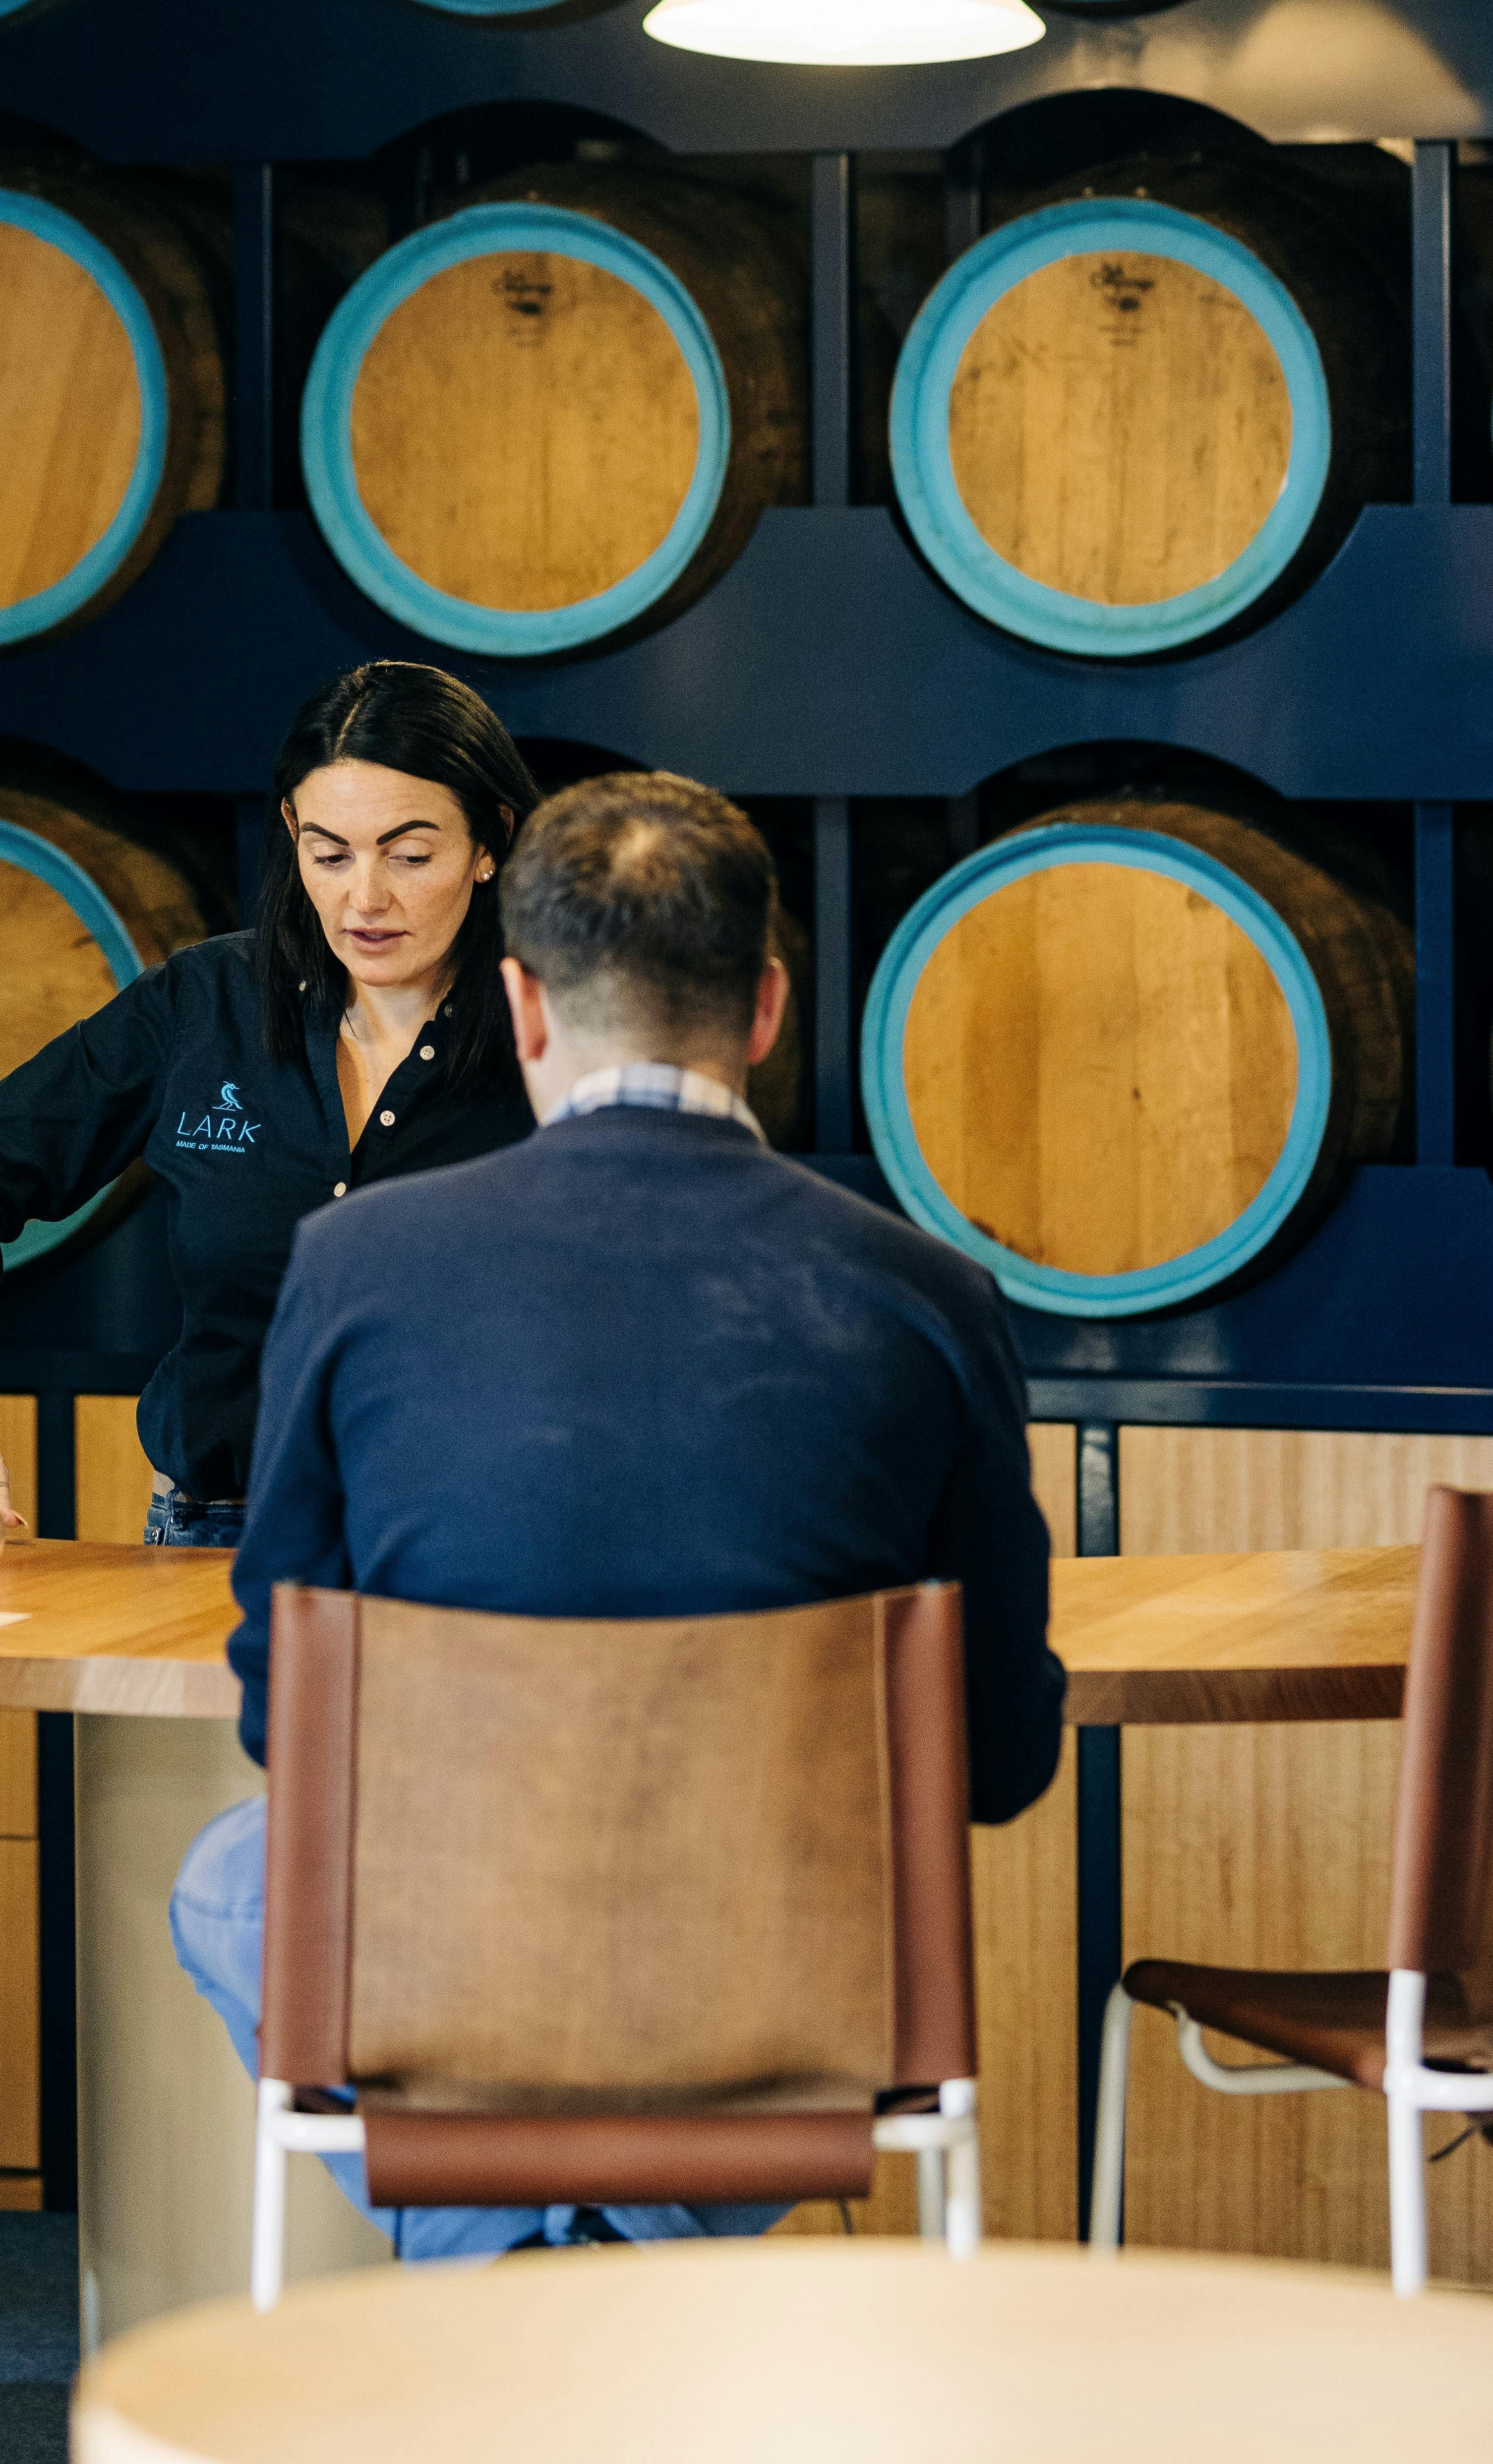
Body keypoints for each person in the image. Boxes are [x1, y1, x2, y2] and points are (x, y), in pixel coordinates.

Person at [172, 767, 1065, 2263]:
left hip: (453, 1966)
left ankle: (515, 2256)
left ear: (521, 1005)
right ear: (767, 1007)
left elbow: (284, 1716)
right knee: (831, 1930)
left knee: (225, 1883)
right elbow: (1003, 1758)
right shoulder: (932, 1296)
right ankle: (620, 2245)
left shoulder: (355, 1265)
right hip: (782, 1987)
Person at [0, 661, 541, 1543]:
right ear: (291, 832)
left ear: (490, 840)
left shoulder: (558, 1032)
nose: (366, 898)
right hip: (213, 1531)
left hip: (466, 1540)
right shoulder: (207, 1001)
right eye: (329, 854)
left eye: (410, 856)